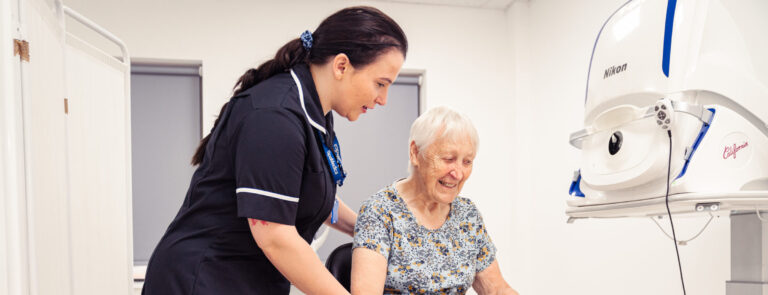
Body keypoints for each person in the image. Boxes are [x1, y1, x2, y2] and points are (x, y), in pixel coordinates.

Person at [141, 6, 407, 295]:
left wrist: (372, 232)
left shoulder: (316, 114)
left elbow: (310, 195)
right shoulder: (274, 116)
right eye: (380, 84)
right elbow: (276, 236)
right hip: (203, 279)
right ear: (341, 66)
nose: (383, 99)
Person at [350, 106, 518, 294]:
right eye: (448, 159)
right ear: (415, 152)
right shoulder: (380, 211)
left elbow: (497, 289)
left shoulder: (467, 215)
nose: (458, 173)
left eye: (467, 161)